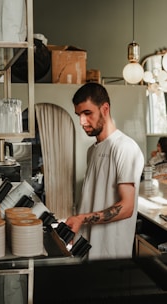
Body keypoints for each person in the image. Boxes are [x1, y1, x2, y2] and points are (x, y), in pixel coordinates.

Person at [65, 82, 144, 260]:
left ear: (105, 109)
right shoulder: (92, 151)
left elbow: (127, 207)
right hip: (86, 249)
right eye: (79, 115)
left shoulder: (125, 147)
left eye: (87, 113)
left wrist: (81, 219)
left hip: (110, 255)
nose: (82, 122)